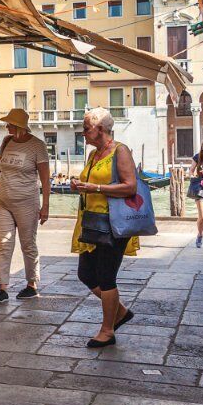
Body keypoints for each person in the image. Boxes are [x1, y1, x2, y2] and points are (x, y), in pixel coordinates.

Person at [69, 107, 138, 348]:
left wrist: (95, 189)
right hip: (91, 221)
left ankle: (107, 330)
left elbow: (131, 187)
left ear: (100, 129)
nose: (83, 133)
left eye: (86, 129)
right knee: (85, 274)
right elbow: (91, 182)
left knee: (106, 277)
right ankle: (120, 312)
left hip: (112, 223)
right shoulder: (93, 155)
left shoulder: (120, 151)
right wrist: (79, 185)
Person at [0, 108, 50, 303]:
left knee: (28, 244)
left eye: (10, 124)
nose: (7, 126)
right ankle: (2, 288)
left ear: (19, 126)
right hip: (3, 201)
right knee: (4, 244)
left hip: (27, 203)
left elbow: (45, 179)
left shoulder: (38, 146)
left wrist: (45, 206)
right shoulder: (7, 142)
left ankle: (32, 285)